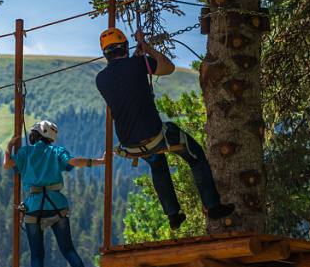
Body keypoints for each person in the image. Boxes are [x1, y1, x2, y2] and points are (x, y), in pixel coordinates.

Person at [95, 27, 235, 231]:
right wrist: (146, 46)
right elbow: (168, 68)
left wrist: (138, 59)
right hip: (156, 135)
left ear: (105, 54)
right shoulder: (138, 64)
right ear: (125, 46)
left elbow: (125, 82)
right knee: (195, 156)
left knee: (157, 161)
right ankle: (213, 206)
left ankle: (173, 215)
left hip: (130, 144)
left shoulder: (101, 79)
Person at [4, 120, 103, 267]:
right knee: (68, 249)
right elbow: (75, 162)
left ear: (36, 135)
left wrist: (9, 146)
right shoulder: (57, 151)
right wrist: (100, 161)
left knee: (37, 255)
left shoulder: (24, 153)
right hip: (57, 206)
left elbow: (7, 164)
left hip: (33, 208)